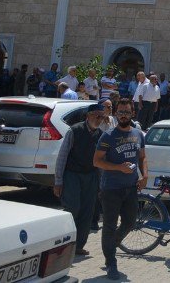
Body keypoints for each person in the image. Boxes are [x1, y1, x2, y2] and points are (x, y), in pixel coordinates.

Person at [94, 98, 148, 280]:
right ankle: (111, 262)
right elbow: (97, 161)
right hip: (111, 188)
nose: (123, 115)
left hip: (131, 187)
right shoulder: (108, 136)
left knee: (130, 222)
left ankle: (111, 245)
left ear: (133, 113)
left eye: (127, 112)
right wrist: (119, 168)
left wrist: (145, 176)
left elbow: (142, 157)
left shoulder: (139, 134)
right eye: (120, 112)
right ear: (116, 114)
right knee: (109, 225)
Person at [54, 104, 105, 255]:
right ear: (88, 116)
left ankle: (78, 246)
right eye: (96, 115)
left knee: (87, 212)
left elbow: (101, 161)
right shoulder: (75, 130)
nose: (98, 119)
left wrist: (101, 184)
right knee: (72, 208)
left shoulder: (101, 135)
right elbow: (62, 156)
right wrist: (58, 181)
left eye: (101, 116)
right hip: (72, 175)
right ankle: (62, 245)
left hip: (91, 176)